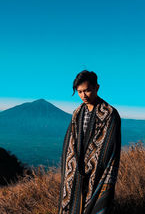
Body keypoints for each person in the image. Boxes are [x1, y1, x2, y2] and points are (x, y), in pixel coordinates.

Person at [58, 70, 121, 214]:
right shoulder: (77, 113)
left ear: (96, 88)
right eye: (79, 92)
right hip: (76, 169)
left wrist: (91, 164)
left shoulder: (109, 113)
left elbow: (109, 147)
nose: (83, 96)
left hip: (99, 171)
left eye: (87, 90)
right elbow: (70, 142)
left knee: (95, 206)